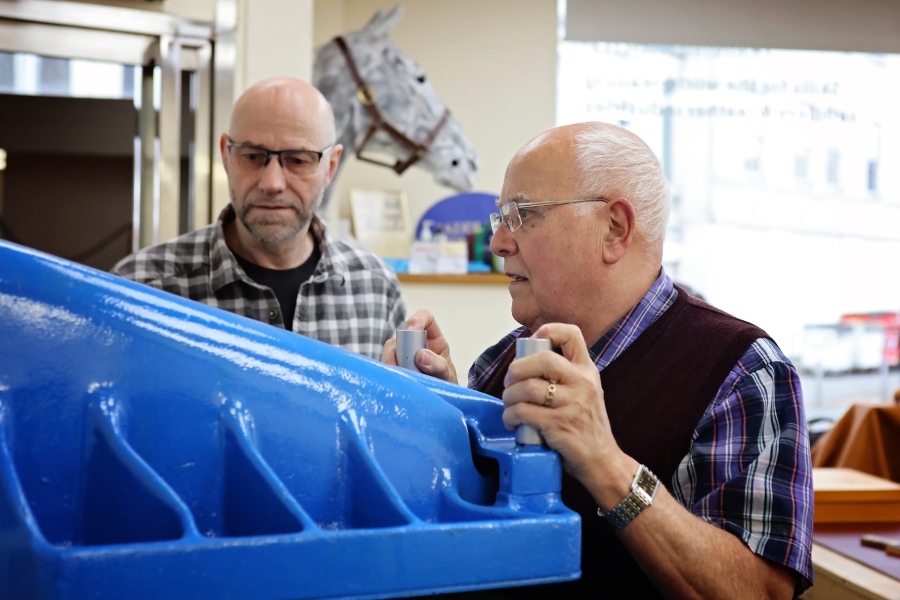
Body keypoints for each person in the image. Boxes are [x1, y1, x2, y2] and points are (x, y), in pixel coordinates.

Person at [383, 122, 813, 597]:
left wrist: (604, 461)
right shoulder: (499, 362)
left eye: (522, 214)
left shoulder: (741, 374)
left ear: (614, 229)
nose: (498, 243)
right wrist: (438, 414)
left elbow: (759, 592)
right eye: (500, 218)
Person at [113, 77, 406, 359]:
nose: (272, 183)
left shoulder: (376, 288)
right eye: (252, 156)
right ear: (226, 157)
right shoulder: (143, 287)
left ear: (330, 167)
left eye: (298, 160)